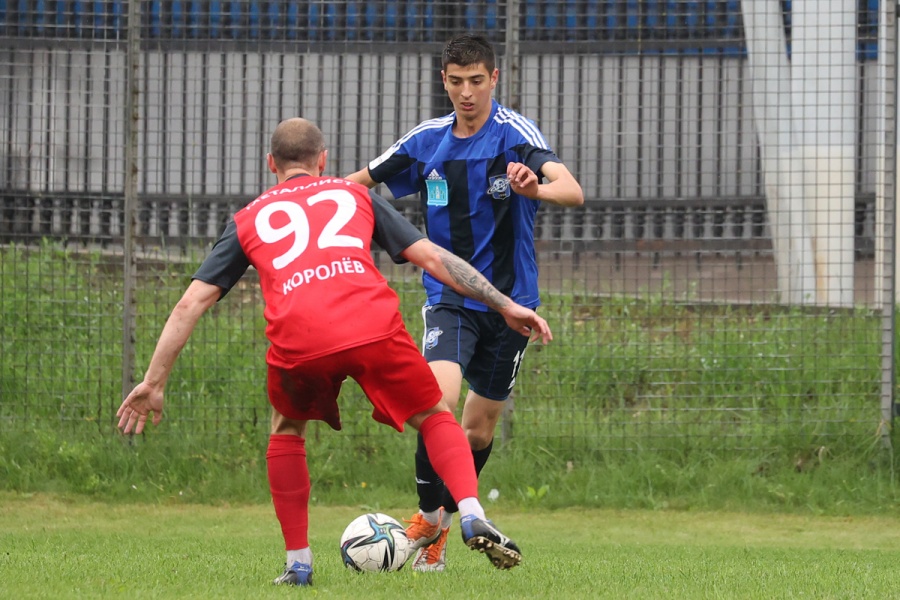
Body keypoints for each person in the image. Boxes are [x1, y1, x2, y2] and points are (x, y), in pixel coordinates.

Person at [116, 118, 553, 586]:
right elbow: (432, 257)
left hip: (299, 338)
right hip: (371, 325)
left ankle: (299, 563)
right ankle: (470, 512)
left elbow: (191, 303)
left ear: (271, 164)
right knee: (434, 416)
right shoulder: (354, 194)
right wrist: (504, 303)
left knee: (287, 430)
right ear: (323, 160)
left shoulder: (248, 218)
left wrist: (154, 382)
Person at [345, 33, 584, 572]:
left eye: (477, 81)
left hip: (511, 307)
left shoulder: (515, 135)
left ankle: (442, 526)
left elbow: (571, 189)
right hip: (449, 297)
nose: (467, 93)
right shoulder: (427, 140)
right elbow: (355, 185)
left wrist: (534, 189)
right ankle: (428, 520)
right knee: (437, 402)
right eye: (456, 82)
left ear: (494, 78)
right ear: (444, 81)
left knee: (477, 430)